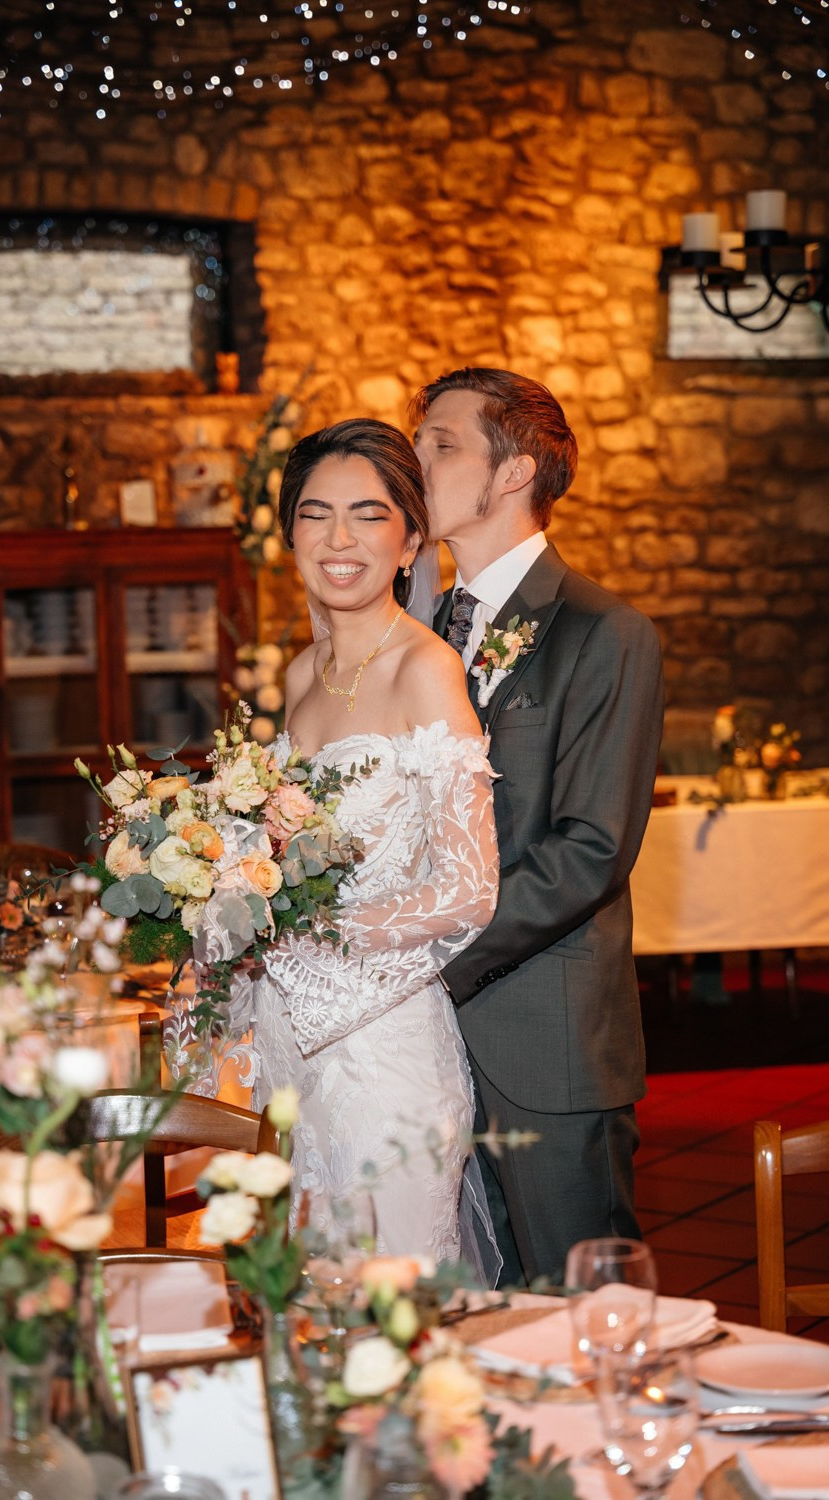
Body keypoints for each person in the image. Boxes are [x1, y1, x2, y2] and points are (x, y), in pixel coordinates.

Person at [412, 367, 665, 1286]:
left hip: (544, 1036)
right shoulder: (423, 632)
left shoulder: (603, 631)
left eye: (441, 445)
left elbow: (589, 850)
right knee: (474, 1308)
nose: (415, 462)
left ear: (514, 470)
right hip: (424, 1046)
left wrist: (429, 954)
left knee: (576, 1301)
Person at [248, 417, 501, 1265]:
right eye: (315, 515)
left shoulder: (424, 668)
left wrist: (309, 933)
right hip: (288, 1045)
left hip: (383, 1053)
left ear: (410, 542)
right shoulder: (299, 674)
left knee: (390, 1298)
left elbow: (469, 887)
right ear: (290, 536)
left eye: (368, 515)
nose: (339, 540)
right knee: (305, 1293)